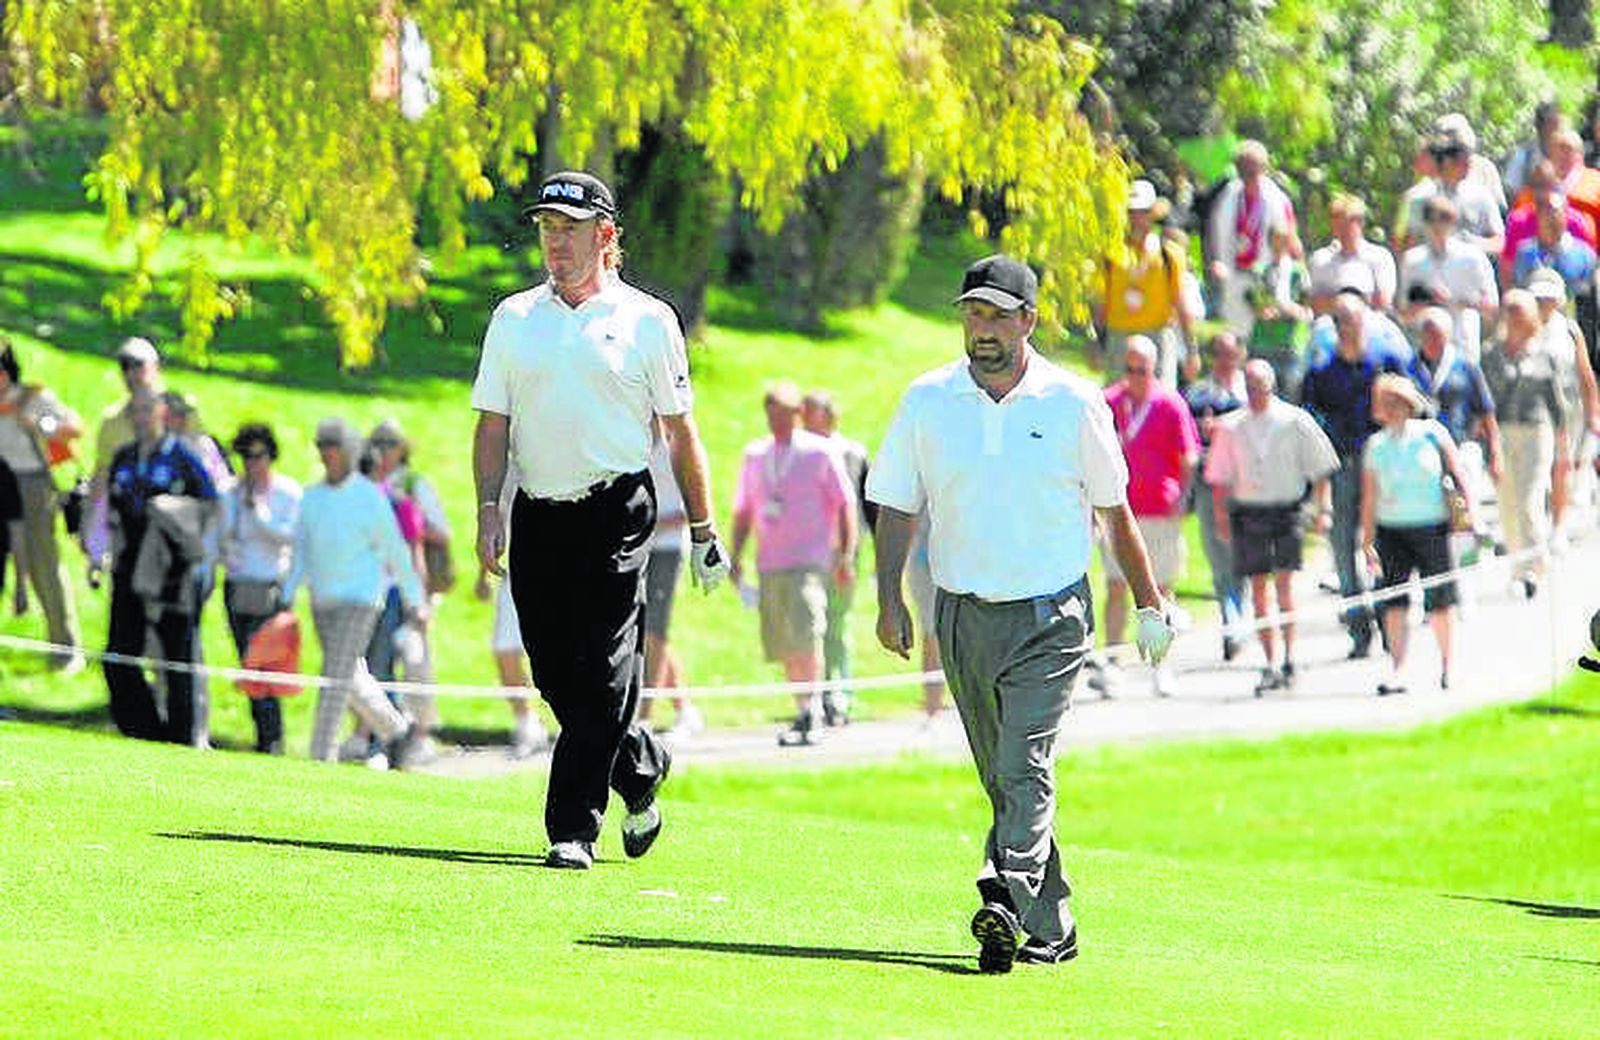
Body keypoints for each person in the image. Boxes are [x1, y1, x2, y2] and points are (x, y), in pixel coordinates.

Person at [868, 254, 1176, 973]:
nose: (983, 329)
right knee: (1003, 777)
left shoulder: (1072, 403)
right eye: (973, 313)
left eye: (999, 315)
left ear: (1029, 321)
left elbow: (1114, 510)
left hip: (1051, 618)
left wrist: (1151, 604)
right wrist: (888, 599)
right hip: (964, 615)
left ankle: (1003, 892)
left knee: (1024, 763)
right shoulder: (927, 400)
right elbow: (895, 504)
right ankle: (1052, 925)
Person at [471, 170, 729, 871]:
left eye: (570, 229)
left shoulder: (649, 321)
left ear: (606, 236)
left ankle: (572, 828)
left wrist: (704, 530)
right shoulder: (513, 319)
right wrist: (488, 508)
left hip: (617, 509)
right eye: (547, 229)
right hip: (538, 512)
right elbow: (492, 424)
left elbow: (681, 434)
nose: (556, 243)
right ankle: (640, 767)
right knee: (556, 672)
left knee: (609, 670)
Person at [282, 416, 423, 765]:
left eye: (334, 446)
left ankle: (321, 756)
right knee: (349, 674)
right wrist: (286, 594)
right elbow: (301, 549)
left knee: (334, 677)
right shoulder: (311, 498)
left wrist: (416, 599)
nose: (328, 453)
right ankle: (397, 730)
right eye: (323, 446)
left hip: (360, 601)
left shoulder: (368, 498)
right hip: (322, 600)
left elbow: (395, 549)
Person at [730, 381, 857, 745]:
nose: (777, 422)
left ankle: (814, 708)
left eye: (784, 414)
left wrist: (845, 555)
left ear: (798, 415)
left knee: (807, 631)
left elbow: (845, 504)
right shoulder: (756, 454)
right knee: (783, 640)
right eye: (771, 414)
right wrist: (735, 555)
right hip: (770, 561)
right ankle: (802, 708)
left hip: (809, 560)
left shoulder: (819, 452)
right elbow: (742, 510)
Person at [1207, 360, 1339, 694]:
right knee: (1259, 591)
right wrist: (1222, 517)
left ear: (1271, 386)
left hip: (1286, 510)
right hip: (1250, 512)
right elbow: (1219, 478)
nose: (1254, 394)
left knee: (1284, 587)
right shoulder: (1232, 426)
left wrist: (1323, 508)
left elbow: (1321, 468)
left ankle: (1290, 656)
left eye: (1259, 387)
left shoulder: (1295, 421)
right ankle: (1269, 661)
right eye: (1248, 388)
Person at [1300, 293, 1418, 659]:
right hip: (1342, 465)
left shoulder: (1386, 363)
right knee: (1342, 546)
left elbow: (1417, 402)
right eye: (1340, 323)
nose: (1347, 329)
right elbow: (1309, 417)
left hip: (1383, 464)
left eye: (1352, 321)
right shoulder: (1323, 373)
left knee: (1385, 543)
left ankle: (1388, 617)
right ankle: (1357, 624)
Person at [102, 388, 220, 745]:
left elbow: (210, 505)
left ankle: (182, 738)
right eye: (134, 412)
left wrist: (177, 521)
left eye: (146, 411)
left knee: (177, 659)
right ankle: (144, 730)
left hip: (172, 571)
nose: (140, 419)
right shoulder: (123, 457)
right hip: (129, 567)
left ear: (161, 413)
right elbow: (113, 511)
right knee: (118, 656)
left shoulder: (181, 456)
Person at [1360, 375, 1478, 694]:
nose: (1393, 409)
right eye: (1386, 404)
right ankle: (1398, 669)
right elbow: (1369, 497)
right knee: (1395, 602)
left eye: (1397, 403)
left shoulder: (1432, 435)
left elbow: (1458, 475)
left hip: (1433, 528)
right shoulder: (1376, 445)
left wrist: (1471, 517)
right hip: (1392, 530)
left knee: (1440, 602)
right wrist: (1367, 540)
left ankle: (1447, 666)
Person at [1100, 336, 1199, 697]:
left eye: (1141, 370)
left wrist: (1183, 498)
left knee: (1160, 591)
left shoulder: (1170, 404)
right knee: (1115, 587)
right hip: (1117, 513)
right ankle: (1111, 666)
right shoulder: (1109, 402)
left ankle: (1161, 665)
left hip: (1159, 510)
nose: (1135, 377)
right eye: (1129, 370)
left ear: (1153, 369)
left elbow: (1189, 455)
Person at [0, 339, 84, 669]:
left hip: (31, 486)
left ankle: (65, 648)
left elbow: (73, 428)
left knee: (43, 565)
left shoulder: (30, 398)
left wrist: (38, 425)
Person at [1481, 290, 1570, 598]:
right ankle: (1517, 568)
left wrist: (1563, 443)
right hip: (1502, 431)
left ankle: (1535, 566)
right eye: (1510, 310)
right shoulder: (1491, 353)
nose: (1514, 317)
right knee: (1507, 502)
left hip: (1536, 430)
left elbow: (1556, 402)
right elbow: (1486, 401)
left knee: (1529, 499)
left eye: (1519, 311)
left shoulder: (1543, 353)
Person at [219, 423, 301, 754]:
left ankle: (273, 738)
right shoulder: (230, 492)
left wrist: (260, 513)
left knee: (269, 665)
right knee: (249, 665)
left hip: (272, 590)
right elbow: (223, 536)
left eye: (259, 456)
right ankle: (262, 736)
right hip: (239, 586)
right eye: (246, 457)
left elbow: (290, 537)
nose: (253, 464)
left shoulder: (288, 493)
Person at [801, 388, 871, 726]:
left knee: (837, 625)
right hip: (806, 553)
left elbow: (864, 506)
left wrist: (850, 556)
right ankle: (814, 695)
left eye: (810, 412)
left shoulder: (852, 453)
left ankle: (839, 694)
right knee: (812, 626)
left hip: (842, 551)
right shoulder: (796, 453)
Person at [473, 459, 551, 760]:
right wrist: (484, 572)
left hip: (555, 569)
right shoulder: (505, 464)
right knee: (504, 648)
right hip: (514, 571)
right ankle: (527, 723)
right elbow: (496, 516)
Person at [1182, 331, 1248, 662]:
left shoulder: (1251, 392)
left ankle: (1245, 615)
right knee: (1218, 555)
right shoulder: (1196, 395)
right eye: (1219, 354)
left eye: (1230, 354)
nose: (1225, 361)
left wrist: (1223, 426)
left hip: (1246, 485)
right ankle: (1230, 621)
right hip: (1210, 483)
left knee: (1244, 556)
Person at [635, 433, 703, 740]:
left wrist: (646, 524)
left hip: (668, 546)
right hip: (639, 547)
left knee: (654, 629)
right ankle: (684, 708)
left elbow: (684, 510)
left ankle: (644, 717)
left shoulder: (673, 445)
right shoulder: (631, 439)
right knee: (644, 630)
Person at [1526, 272, 1600, 547]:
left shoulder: (1569, 329)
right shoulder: (1522, 323)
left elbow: (1585, 373)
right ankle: (1536, 525)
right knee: (1537, 468)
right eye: (1539, 298)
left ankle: (1557, 526)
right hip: (1531, 410)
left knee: (1562, 466)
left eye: (1549, 298)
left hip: (1566, 408)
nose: (1544, 303)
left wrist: (1593, 413)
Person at [1096, 178, 1195, 382]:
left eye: (1143, 212)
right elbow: (1100, 302)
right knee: (1118, 401)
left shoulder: (1169, 254)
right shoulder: (1111, 253)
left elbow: (1182, 304)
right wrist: (1095, 342)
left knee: (1159, 400)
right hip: (1119, 337)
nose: (1136, 218)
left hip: (1158, 335)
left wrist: (1191, 350)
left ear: (1152, 215)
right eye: (1131, 212)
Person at [86, 338, 166, 577]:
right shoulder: (112, 421)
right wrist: (93, 536)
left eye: (138, 365)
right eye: (125, 366)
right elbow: (102, 477)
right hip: (127, 528)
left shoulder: (181, 413)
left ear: (156, 367)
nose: (132, 373)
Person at [1412, 308, 1502, 519]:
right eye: (1428, 335)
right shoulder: (1410, 366)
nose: (1433, 341)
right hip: (1422, 450)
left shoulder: (1465, 366)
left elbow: (1486, 410)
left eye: (1438, 336)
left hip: (1460, 444)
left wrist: (1495, 453)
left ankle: (1470, 549)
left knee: (1465, 511)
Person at [1207, 140, 1298, 339]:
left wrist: (1276, 288)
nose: (1248, 177)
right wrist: (1217, 263)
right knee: (1236, 339)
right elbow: (1215, 236)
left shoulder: (1278, 200)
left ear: (1265, 169)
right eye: (1243, 171)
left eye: (1253, 171)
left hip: (1268, 278)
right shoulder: (1227, 196)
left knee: (1265, 339)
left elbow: (1290, 244)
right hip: (1234, 276)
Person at [1398, 195, 1499, 363]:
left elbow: (1492, 307)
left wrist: (1454, 301)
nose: (1438, 226)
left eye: (1444, 220)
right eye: (1432, 220)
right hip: (1423, 348)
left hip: (1463, 345)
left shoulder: (1472, 257)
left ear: (1453, 222)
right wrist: (1427, 303)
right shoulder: (1412, 260)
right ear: (1425, 223)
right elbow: (1404, 312)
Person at [1248, 225, 1312, 401]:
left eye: (1284, 241)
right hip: (1263, 343)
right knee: (1261, 397)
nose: (1280, 246)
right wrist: (1265, 310)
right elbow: (1256, 304)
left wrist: (1287, 309)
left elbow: (1307, 310)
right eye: (1276, 240)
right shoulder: (1260, 271)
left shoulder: (1299, 273)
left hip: (1291, 344)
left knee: (1291, 396)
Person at [1308, 194, 1397, 316]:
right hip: (1328, 326)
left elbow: (1382, 302)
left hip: (1370, 324)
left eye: (1346, 224)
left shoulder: (1380, 256)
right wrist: (1359, 299)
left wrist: (1333, 300)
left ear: (1361, 222)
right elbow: (1315, 304)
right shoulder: (1320, 259)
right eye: (1336, 223)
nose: (1340, 229)